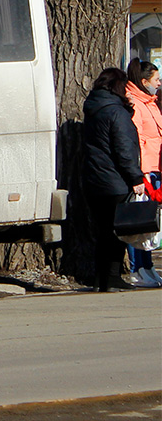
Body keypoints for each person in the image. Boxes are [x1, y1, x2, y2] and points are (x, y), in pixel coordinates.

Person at [82, 67, 148, 292]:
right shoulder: (116, 113)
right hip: (115, 180)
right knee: (119, 232)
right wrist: (136, 177)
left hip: (94, 180)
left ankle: (101, 278)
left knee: (102, 231)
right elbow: (124, 149)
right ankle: (112, 277)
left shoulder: (93, 109)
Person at [125, 59, 162, 287]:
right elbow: (136, 139)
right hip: (145, 169)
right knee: (137, 222)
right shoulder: (136, 104)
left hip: (155, 167)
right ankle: (136, 267)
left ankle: (147, 265)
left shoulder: (150, 102)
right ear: (144, 81)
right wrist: (138, 173)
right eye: (156, 80)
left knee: (149, 222)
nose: (159, 84)